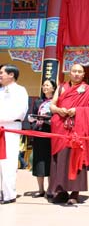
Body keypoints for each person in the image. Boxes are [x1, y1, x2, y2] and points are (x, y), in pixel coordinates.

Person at [49, 64, 89, 205]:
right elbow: (52, 105)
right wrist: (59, 110)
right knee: (61, 159)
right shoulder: (61, 88)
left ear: (83, 74)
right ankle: (61, 191)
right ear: (69, 73)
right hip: (61, 129)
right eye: (74, 71)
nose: (77, 74)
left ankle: (75, 192)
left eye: (80, 72)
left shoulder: (88, 90)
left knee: (76, 158)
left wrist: (77, 110)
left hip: (78, 130)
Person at [0, 64, 29, 204]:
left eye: (2, 73)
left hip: (11, 128)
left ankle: (9, 194)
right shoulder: (0, 90)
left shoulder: (20, 90)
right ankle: (1, 191)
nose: (0, 75)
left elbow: (20, 112)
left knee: (9, 161)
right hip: (0, 127)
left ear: (11, 75)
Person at [28, 79, 57, 198]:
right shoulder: (38, 102)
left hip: (51, 134)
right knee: (39, 161)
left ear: (53, 88)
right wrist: (32, 119)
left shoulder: (56, 102)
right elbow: (32, 115)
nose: (44, 87)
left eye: (47, 85)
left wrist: (49, 120)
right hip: (39, 133)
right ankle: (40, 190)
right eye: (43, 85)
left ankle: (51, 189)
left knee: (50, 161)